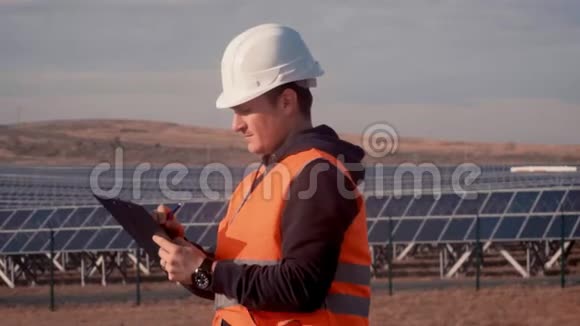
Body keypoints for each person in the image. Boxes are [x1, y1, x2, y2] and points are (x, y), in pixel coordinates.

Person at [153, 23, 371, 326]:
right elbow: (235, 286)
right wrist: (185, 253)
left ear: (286, 102)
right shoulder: (257, 182)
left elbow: (301, 286)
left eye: (245, 109)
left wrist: (206, 270)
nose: (235, 125)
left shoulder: (318, 175)